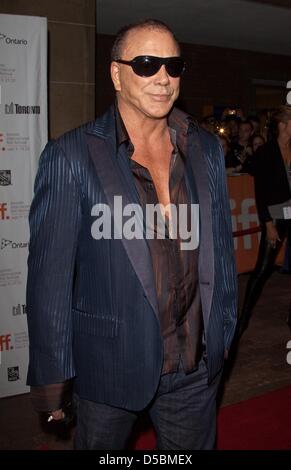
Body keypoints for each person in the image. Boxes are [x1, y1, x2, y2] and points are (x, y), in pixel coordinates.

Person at [26, 19, 237, 450]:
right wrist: (52, 379)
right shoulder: (71, 155)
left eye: (173, 65)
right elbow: (49, 280)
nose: (163, 77)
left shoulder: (205, 148)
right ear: (116, 73)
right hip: (108, 367)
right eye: (146, 63)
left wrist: (223, 332)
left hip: (192, 366)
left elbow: (221, 252)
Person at [238, 105, 291, 336]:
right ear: (283, 125)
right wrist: (268, 224)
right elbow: (261, 192)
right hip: (276, 219)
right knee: (262, 269)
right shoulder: (267, 152)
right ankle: (243, 319)